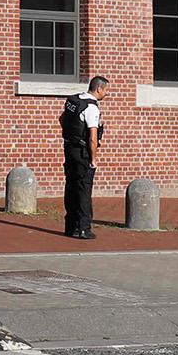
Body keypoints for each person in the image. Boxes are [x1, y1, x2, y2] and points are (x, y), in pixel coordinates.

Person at [61, 75, 107, 241]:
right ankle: (84, 229)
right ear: (99, 89)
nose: (106, 94)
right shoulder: (91, 107)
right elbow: (93, 137)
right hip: (82, 153)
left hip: (69, 148)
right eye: (105, 90)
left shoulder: (74, 100)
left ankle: (70, 227)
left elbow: (62, 119)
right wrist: (93, 159)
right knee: (84, 190)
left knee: (71, 187)